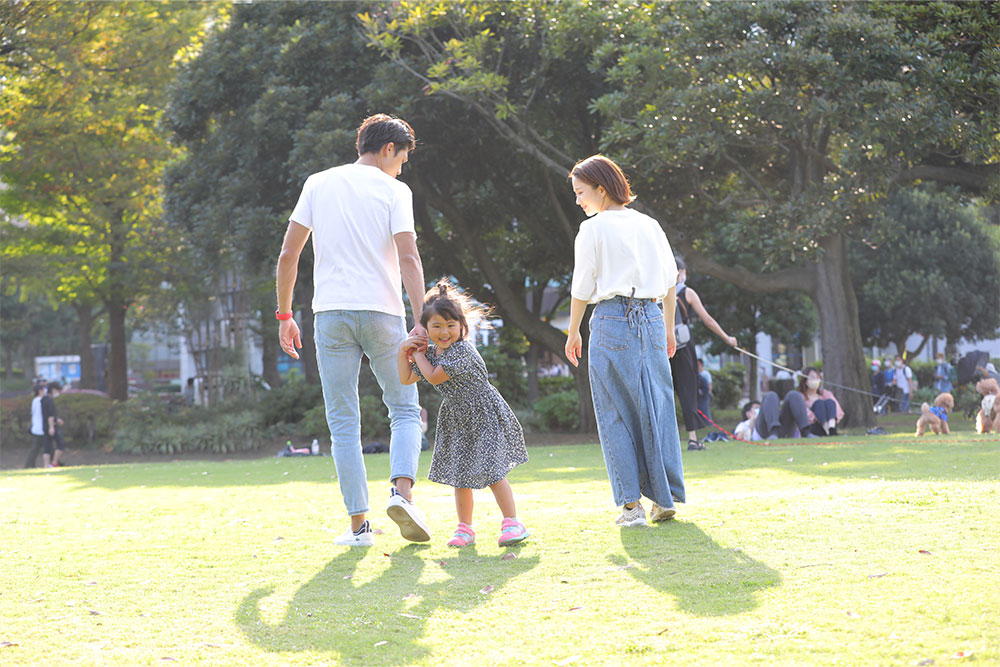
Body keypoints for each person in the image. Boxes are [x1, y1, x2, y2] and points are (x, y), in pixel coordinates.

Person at [275, 113, 429, 548]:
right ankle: (402, 494)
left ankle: (359, 527)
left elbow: (289, 255)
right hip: (382, 313)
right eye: (401, 158)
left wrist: (285, 316)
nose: (401, 168)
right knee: (403, 409)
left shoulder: (317, 183)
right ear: (387, 150)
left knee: (343, 424)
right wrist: (421, 318)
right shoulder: (395, 190)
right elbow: (409, 259)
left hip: (330, 315)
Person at [564, 154, 684, 527]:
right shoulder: (649, 225)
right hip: (650, 317)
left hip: (612, 319)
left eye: (582, 193)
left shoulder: (594, 229)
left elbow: (582, 286)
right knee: (657, 408)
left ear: (602, 189)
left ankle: (631, 508)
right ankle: (663, 499)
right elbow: (669, 284)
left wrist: (573, 332)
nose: (579, 201)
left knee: (615, 413)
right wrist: (667, 329)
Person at [399, 282, 529, 548]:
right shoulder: (433, 354)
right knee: (460, 475)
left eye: (450, 325)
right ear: (425, 328)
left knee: (494, 472)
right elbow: (406, 377)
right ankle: (465, 529)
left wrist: (419, 354)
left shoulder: (462, 352)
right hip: (457, 418)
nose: (444, 332)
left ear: (462, 326)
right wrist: (403, 351)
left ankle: (512, 522)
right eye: (436, 326)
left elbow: (433, 376)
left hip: (483, 413)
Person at [668, 257, 738, 450]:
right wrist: (727, 338)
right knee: (687, 392)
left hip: (662, 347)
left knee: (663, 392)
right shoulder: (687, 292)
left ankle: (664, 441)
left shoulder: (657, 292)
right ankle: (692, 439)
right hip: (683, 347)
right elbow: (707, 320)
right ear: (681, 271)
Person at [799, 368, 845, 436]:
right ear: (805, 380)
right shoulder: (801, 396)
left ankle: (831, 429)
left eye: (817, 377)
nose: (815, 379)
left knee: (829, 402)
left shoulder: (825, 393)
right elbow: (803, 412)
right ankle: (827, 431)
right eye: (812, 377)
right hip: (814, 426)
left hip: (830, 424)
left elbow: (837, 408)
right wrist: (816, 417)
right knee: (819, 403)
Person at [41, 381, 67, 467]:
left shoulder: (43, 399)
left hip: (44, 426)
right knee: (61, 444)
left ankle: (46, 466)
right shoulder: (50, 400)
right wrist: (51, 427)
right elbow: (50, 415)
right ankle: (54, 463)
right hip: (51, 426)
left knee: (47, 447)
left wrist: (57, 419)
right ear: (53, 390)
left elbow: (46, 414)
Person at [24, 383, 49, 468]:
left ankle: (30, 465)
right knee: (37, 448)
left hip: (37, 427)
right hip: (40, 428)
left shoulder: (35, 400)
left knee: (39, 448)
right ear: (40, 391)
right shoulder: (40, 401)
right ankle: (29, 465)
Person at [696, 358, 713, 423]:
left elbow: (709, 384)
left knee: (705, 410)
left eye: (699, 364)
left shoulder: (706, 374)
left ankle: (709, 423)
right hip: (699, 396)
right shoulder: (696, 374)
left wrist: (709, 392)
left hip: (705, 395)